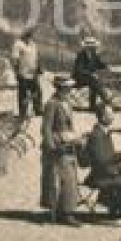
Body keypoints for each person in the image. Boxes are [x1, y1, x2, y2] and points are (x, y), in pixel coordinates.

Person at [39, 75, 82, 226]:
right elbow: (46, 128)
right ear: (60, 88)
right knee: (65, 179)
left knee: (71, 178)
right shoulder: (52, 104)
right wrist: (51, 146)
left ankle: (66, 209)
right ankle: (66, 213)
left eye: (70, 88)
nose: (70, 90)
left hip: (69, 145)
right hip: (58, 146)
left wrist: (76, 138)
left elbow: (70, 126)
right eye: (67, 88)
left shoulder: (67, 103)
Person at [71, 36, 114, 112]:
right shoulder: (81, 55)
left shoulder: (94, 55)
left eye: (93, 47)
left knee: (94, 83)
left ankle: (93, 105)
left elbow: (99, 64)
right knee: (94, 81)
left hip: (89, 78)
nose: (92, 48)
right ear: (86, 47)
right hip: (79, 78)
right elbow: (79, 70)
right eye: (90, 47)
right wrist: (90, 74)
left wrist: (106, 66)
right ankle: (106, 100)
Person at [11, 28, 43, 119]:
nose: (30, 37)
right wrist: (17, 72)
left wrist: (39, 68)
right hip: (23, 73)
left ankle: (38, 109)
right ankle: (23, 112)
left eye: (31, 35)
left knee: (37, 91)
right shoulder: (18, 44)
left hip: (33, 73)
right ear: (24, 35)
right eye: (28, 35)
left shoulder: (33, 44)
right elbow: (15, 59)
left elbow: (37, 57)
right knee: (23, 93)